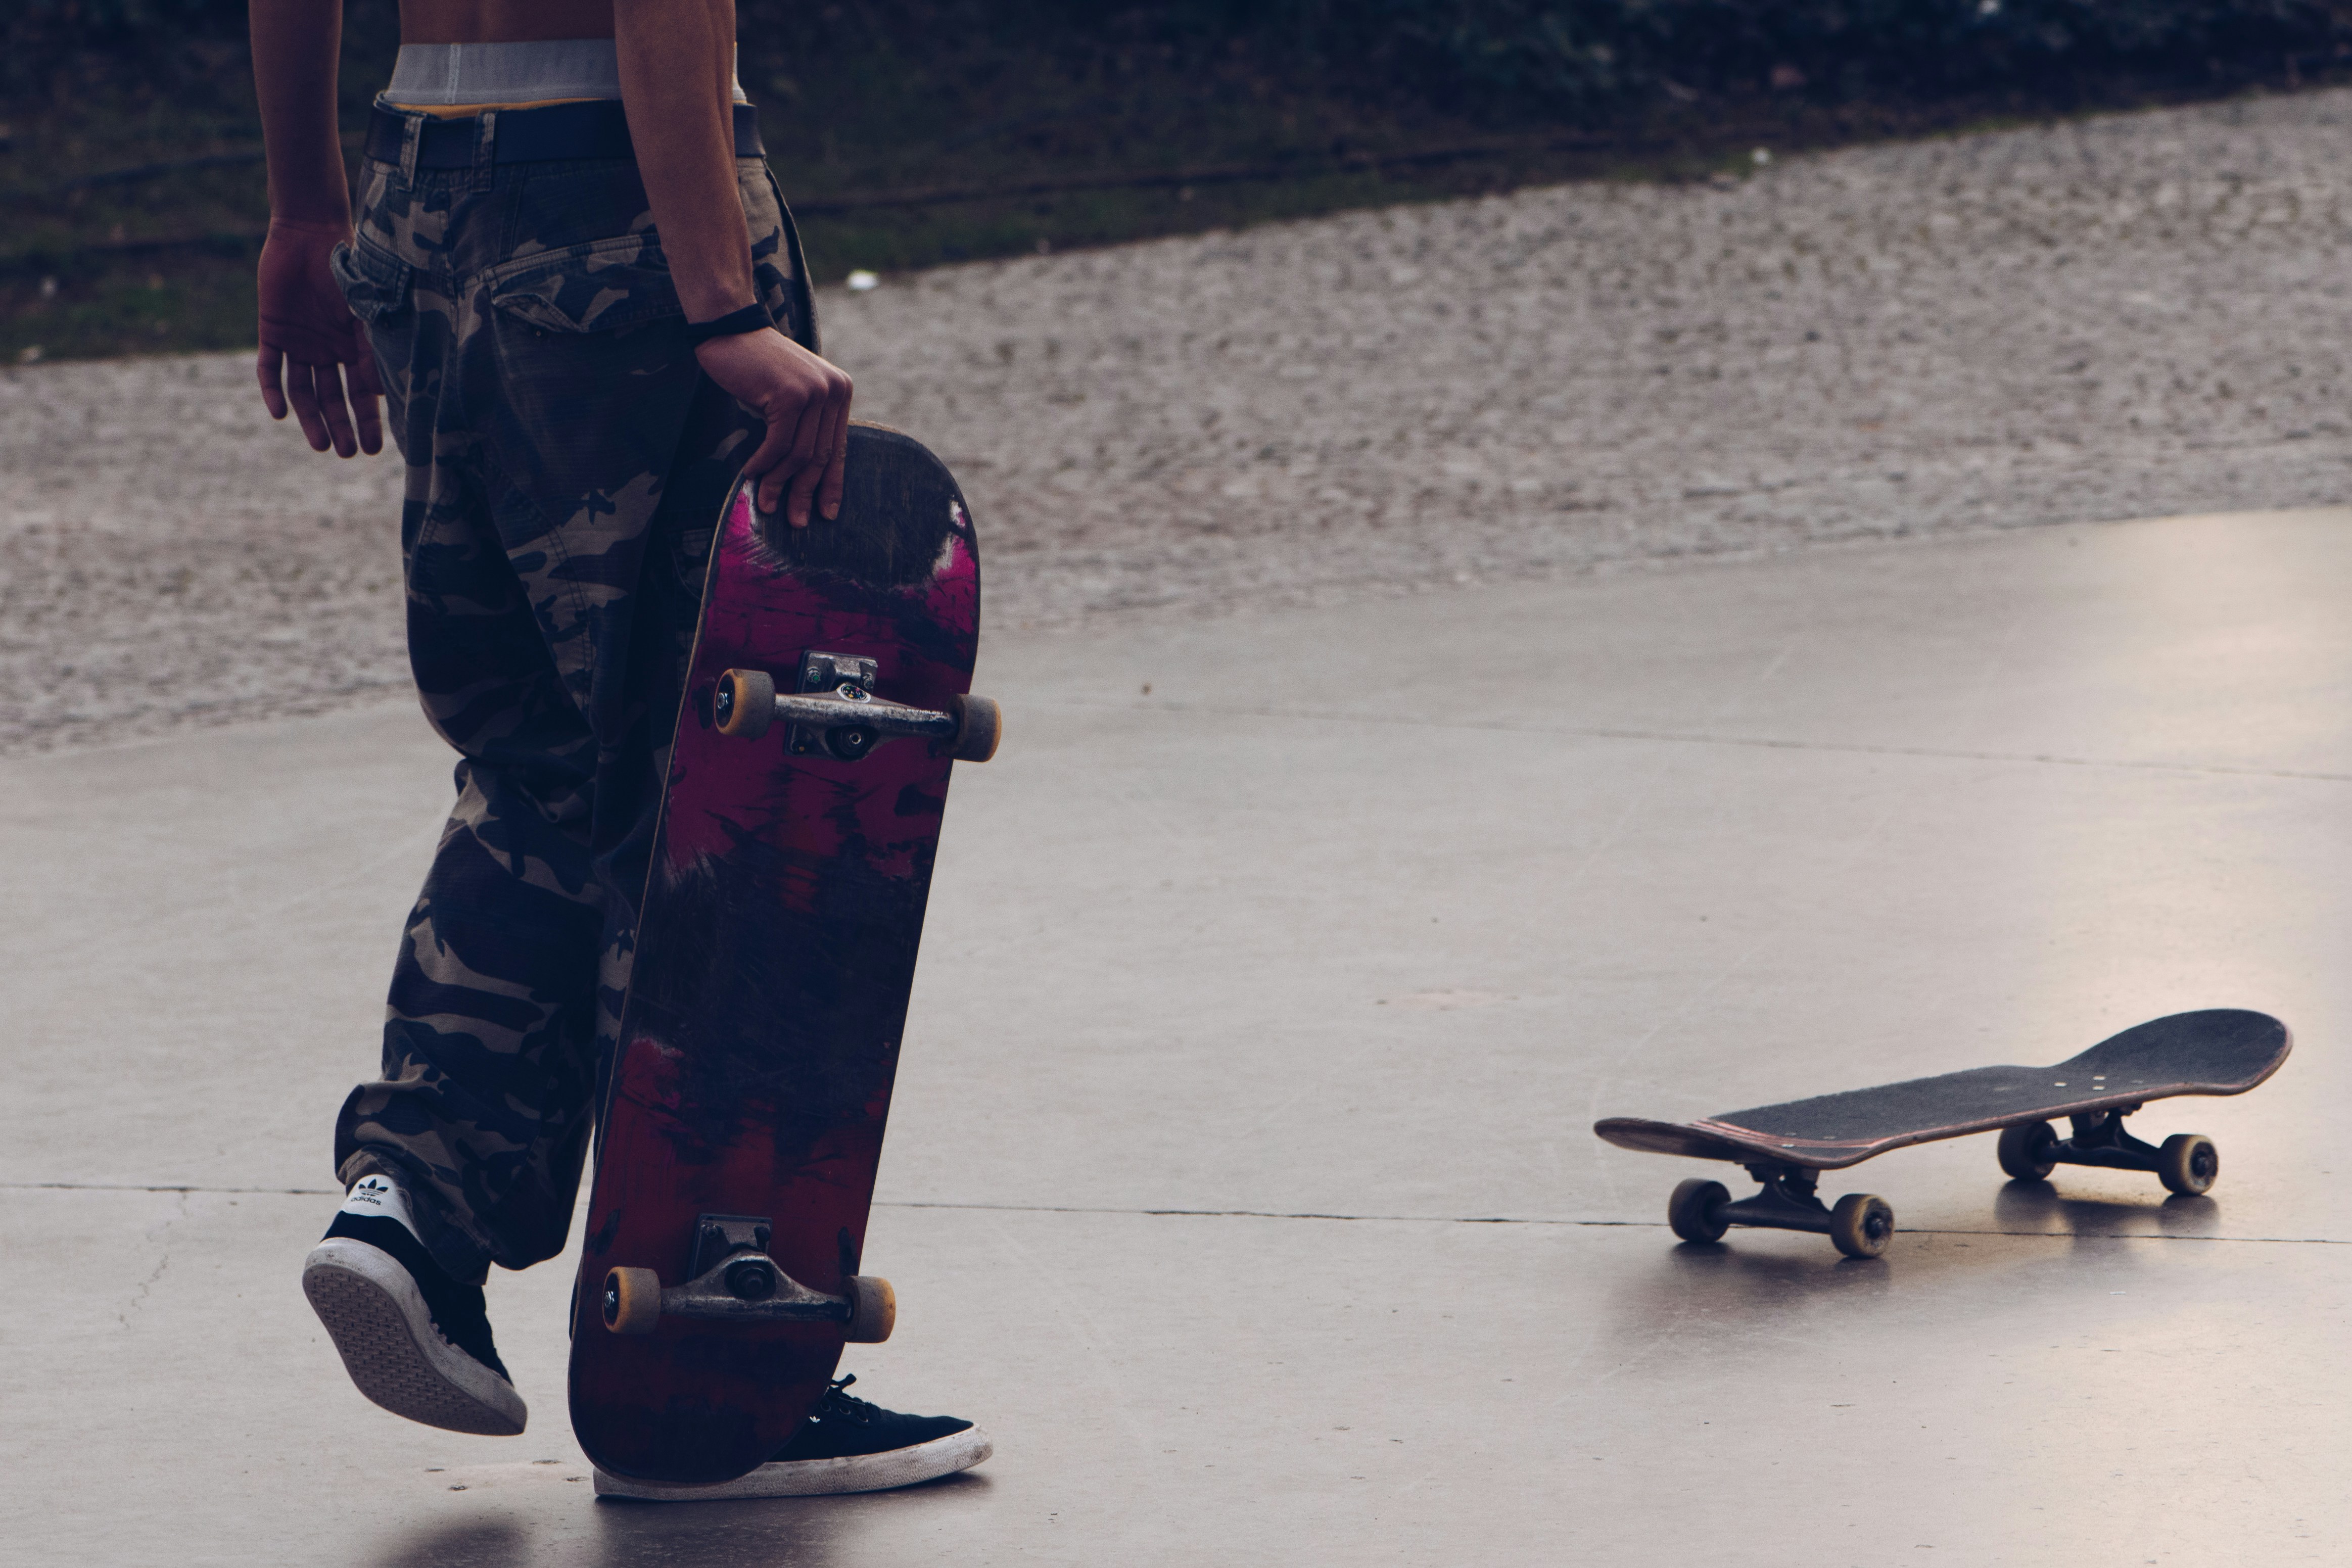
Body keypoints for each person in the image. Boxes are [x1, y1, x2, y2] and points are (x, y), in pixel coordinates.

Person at [248, 0, 990, 1497]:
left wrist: (306, 207)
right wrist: (719, 303)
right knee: (708, 785)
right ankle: (718, 1360)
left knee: (533, 759)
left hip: (417, 193)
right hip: (618, 208)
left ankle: (413, 1209)